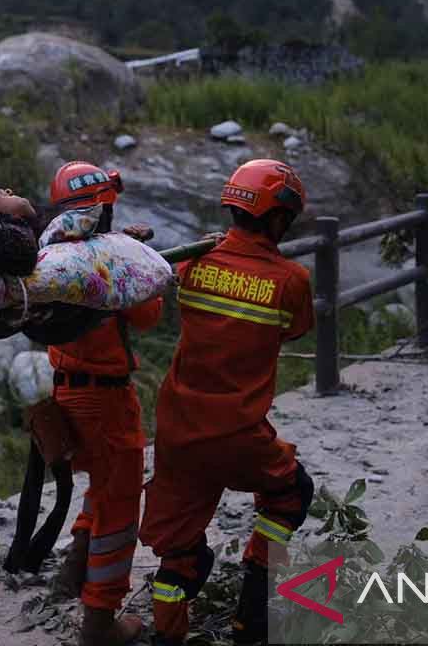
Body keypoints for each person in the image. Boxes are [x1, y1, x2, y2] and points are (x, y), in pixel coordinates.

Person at [139, 159, 316, 646]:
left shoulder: (194, 262)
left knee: (180, 553)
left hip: (177, 429)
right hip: (237, 433)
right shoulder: (291, 280)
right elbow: (296, 329)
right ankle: (253, 614)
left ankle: (167, 637)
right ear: (278, 218)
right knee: (291, 494)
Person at [43, 161, 162, 646]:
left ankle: (73, 568)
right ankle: (99, 622)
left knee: (100, 481)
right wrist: (134, 253)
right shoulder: (108, 257)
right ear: (104, 207)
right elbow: (148, 312)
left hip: (65, 390)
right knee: (119, 506)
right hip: (107, 399)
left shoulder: (49, 251)